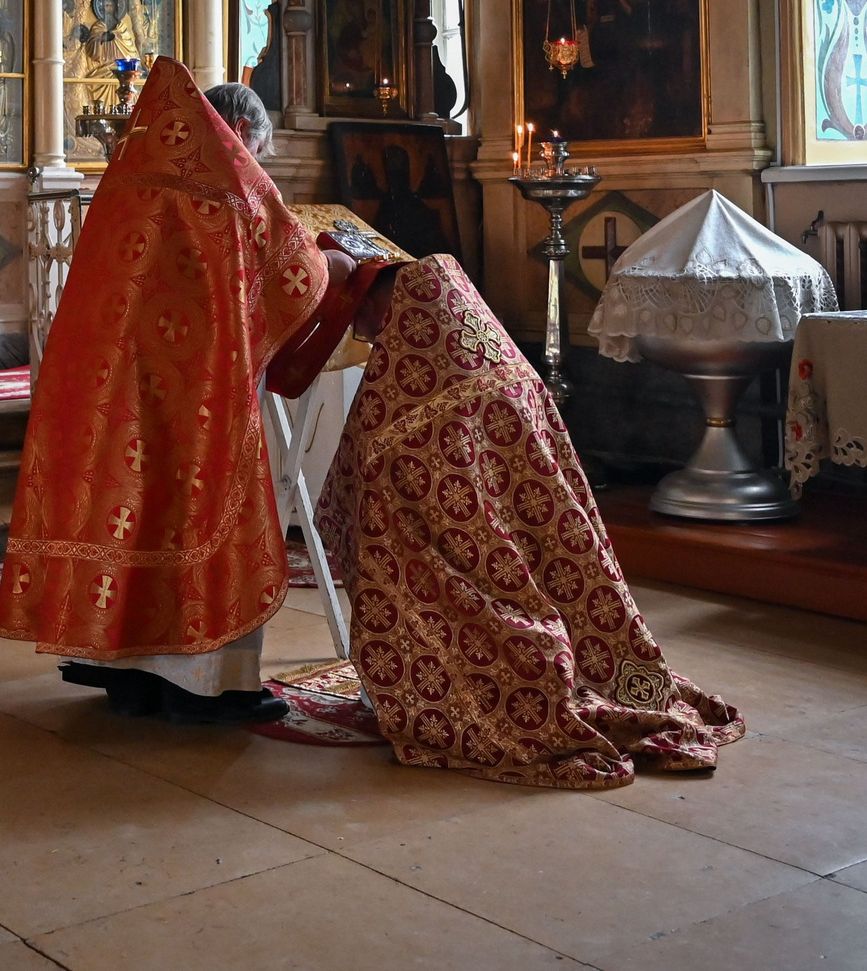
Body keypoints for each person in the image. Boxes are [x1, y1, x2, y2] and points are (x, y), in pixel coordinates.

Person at [0, 63, 357, 723]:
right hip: (200, 400)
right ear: (241, 128)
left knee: (126, 515)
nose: (260, 163)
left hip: (117, 399)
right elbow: (294, 273)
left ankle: (124, 673)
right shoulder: (229, 188)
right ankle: (209, 684)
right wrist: (338, 264)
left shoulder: (127, 185)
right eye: (262, 150)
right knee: (199, 517)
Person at [316, 255, 744, 787]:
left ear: (387, 302)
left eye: (362, 315)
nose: (363, 332)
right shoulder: (484, 350)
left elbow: (371, 474)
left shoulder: (415, 383)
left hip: (482, 570)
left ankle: (510, 683)